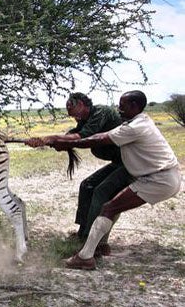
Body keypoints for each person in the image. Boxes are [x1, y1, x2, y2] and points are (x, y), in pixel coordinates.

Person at [48, 90, 182, 270]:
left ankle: (87, 255)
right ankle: (97, 245)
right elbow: (84, 133)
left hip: (159, 179)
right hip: (156, 176)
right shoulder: (136, 122)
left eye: (122, 105)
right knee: (108, 202)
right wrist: (57, 140)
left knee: (109, 206)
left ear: (135, 106)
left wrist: (66, 143)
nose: (118, 109)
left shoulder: (134, 127)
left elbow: (98, 139)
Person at [26, 93, 130, 250]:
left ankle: (91, 239)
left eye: (74, 112)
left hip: (129, 163)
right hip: (118, 162)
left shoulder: (100, 112)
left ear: (81, 104)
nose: (75, 118)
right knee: (87, 185)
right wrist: (48, 141)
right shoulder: (86, 119)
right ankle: (82, 231)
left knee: (100, 192)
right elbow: (75, 133)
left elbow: (84, 136)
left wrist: (53, 138)